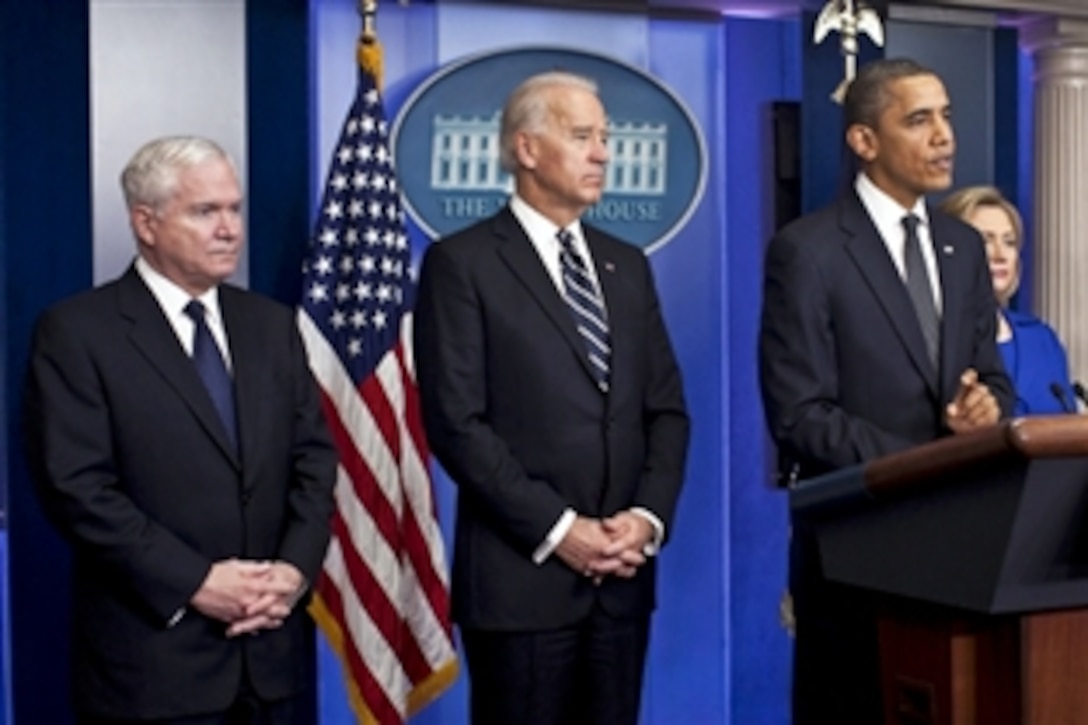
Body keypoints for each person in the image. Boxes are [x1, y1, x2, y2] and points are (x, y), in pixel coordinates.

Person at [23, 136, 337, 724]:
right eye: (205, 211)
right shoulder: (78, 332)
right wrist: (197, 582)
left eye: (234, 209)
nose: (229, 229)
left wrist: (293, 572)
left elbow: (314, 461)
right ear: (146, 222)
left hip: (269, 657)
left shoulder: (270, 325)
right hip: (151, 667)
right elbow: (77, 489)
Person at [413, 71, 690, 725]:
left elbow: (667, 410)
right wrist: (563, 531)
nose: (602, 153)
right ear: (527, 148)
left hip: (623, 581)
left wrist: (646, 519)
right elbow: (457, 422)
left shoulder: (628, 264)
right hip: (522, 586)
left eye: (606, 137)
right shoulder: (463, 263)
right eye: (582, 135)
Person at [758, 58, 1014, 723]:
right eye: (919, 120)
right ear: (864, 141)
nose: (944, 137)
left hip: (958, 545)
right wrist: (918, 467)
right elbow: (800, 413)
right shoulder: (807, 251)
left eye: (948, 116)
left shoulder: (962, 247)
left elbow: (989, 374)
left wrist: (988, 405)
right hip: (853, 551)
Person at [940, 185, 1076, 414]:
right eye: (984, 240)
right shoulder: (935, 339)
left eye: (1009, 242)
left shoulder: (1042, 339)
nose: (1000, 254)